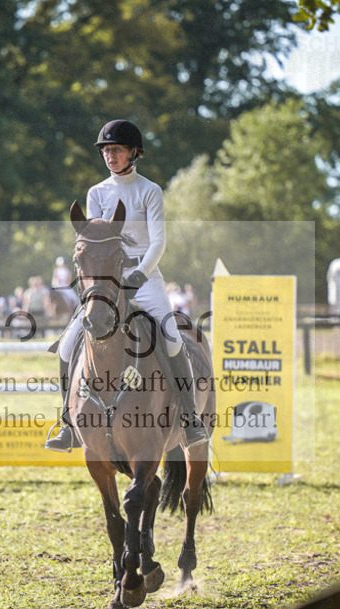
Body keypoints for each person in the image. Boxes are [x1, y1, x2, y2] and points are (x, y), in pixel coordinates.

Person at [46, 119, 207, 452]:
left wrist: (141, 273)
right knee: (66, 345)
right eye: (106, 150)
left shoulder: (149, 191)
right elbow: (94, 238)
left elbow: (159, 242)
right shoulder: (97, 193)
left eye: (116, 149)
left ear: (134, 152)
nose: (110, 155)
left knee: (174, 339)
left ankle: (190, 419)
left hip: (144, 279)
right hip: (107, 282)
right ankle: (67, 423)